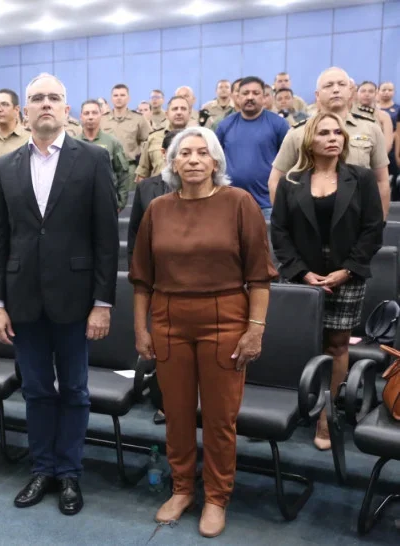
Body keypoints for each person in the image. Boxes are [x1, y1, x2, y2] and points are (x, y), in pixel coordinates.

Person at [130, 126, 276, 538]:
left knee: (219, 417)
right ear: (172, 162)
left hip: (226, 317)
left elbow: (260, 278)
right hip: (168, 316)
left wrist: (255, 329)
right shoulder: (157, 208)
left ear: (216, 162)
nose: (193, 160)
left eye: (202, 153)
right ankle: (181, 488)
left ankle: (216, 495)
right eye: (184, 153)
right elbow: (141, 279)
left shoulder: (239, 203)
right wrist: (140, 329)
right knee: (175, 412)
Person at [0, 74, 119, 516]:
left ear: (67, 108)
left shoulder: (94, 159)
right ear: (25, 110)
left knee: (76, 391)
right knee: (38, 389)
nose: (46, 105)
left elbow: (105, 238)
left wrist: (103, 302)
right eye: (37, 98)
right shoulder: (5, 166)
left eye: (54, 98)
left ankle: (70, 474)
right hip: (22, 299)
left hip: (77, 299)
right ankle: (42, 468)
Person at [270, 112, 383, 450]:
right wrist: (302, 272)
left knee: (336, 346)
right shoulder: (292, 181)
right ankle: (297, 404)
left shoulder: (360, 178)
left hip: (345, 276)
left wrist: (347, 269)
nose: (334, 137)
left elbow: (372, 230)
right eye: (324, 133)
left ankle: (326, 415)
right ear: (310, 141)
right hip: (303, 276)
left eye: (338, 132)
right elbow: (279, 232)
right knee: (301, 345)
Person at [269, 67, 390, 219]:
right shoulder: (298, 132)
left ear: (351, 91)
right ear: (317, 95)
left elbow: (381, 180)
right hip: (309, 222)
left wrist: (380, 222)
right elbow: (275, 179)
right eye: (328, 85)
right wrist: (286, 220)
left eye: (341, 84)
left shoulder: (370, 129)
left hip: (357, 222)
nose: (336, 90)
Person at [216, 76, 289, 220]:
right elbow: (215, 160)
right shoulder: (225, 126)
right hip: (231, 204)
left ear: (264, 97)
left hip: (268, 205)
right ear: (237, 97)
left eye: (255, 93)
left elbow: (290, 162)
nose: (250, 97)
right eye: (245, 93)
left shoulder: (279, 124)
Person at [127, 130, 178, 265]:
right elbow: (135, 232)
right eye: (175, 150)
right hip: (154, 263)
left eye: (184, 151)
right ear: (164, 153)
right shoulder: (145, 187)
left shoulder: (200, 188)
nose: (179, 156)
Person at [77, 99, 132, 210]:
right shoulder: (73, 143)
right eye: (86, 113)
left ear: (101, 115)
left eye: (94, 113)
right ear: (81, 116)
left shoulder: (112, 142)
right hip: (79, 202)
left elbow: (123, 173)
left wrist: (121, 202)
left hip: (106, 201)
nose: (90, 117)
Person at [136, 96, 191, 181]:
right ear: (166, 114)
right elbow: (142, 173)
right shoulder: (153, 138)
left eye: (183, 109)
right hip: (158, 191)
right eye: (175, 109)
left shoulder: (198, 138)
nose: (179, 112)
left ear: (189, 114)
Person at [102, 84, 150, 165]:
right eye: (115, 95)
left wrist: (139, 154)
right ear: (111, 99)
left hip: (130, 166)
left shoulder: (138, 119)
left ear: (128, 98)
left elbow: (148, 140)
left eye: (122, 95)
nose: (119, 98)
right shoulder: (102, 119)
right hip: (107, 165)